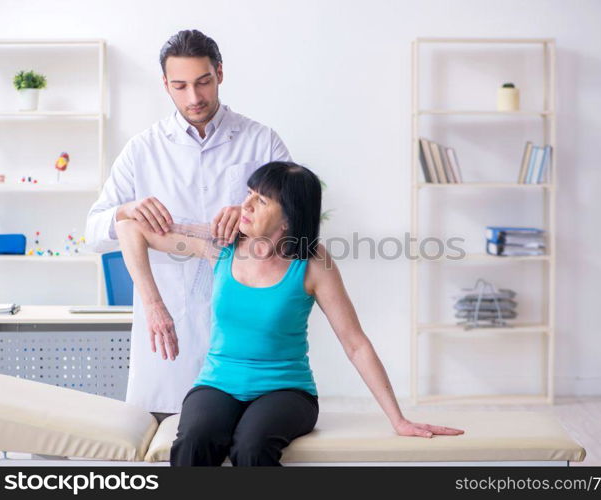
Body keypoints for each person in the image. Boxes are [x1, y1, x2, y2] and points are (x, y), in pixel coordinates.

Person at [115, 161, 465, 466]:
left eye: (261, 200)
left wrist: (398, 419)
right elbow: (129, 228)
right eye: (249, 193)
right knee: (194, 442)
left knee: (251, 449)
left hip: (286, 391)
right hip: (218, 383)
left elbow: (355, 343)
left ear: (287, 219)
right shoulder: (220, 245)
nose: (245, 205)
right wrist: (153, 303)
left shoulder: (313, 264)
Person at [84, 29, 291, 422]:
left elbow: (298, 223)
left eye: (203, 82)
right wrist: (127, 209)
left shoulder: (261, 142)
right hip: (168, 333)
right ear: (165, 85)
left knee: (245, 443)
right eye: (179, 86)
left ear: (220, 74)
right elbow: (93, 231)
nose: (193, 98)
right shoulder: (143, 149)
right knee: (172, 445)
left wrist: (254, 216)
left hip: (242, 322)